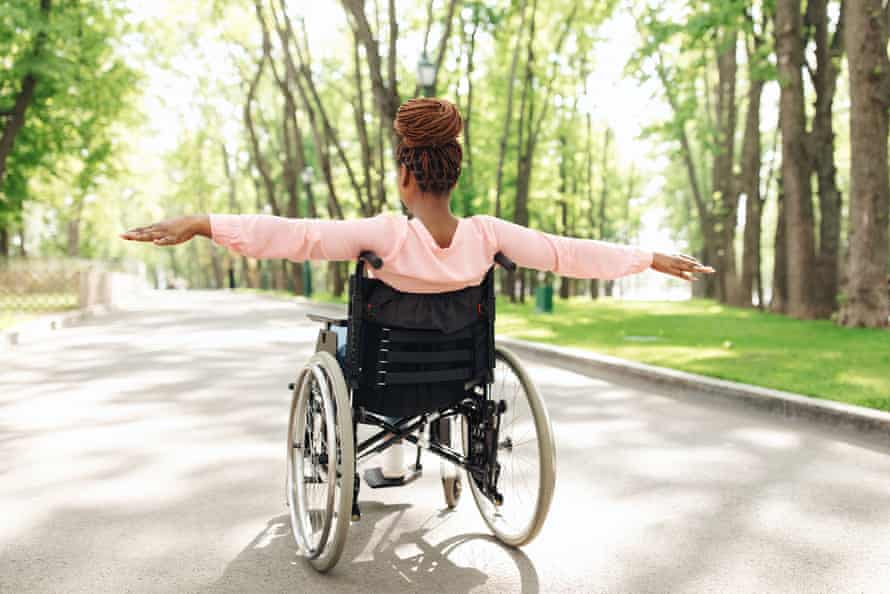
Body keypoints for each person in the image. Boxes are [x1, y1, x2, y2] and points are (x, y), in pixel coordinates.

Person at [121, 97, 714, 478]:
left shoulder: (383, 234)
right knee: (434, 338)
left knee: (334, 342)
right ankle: (425, 453)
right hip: (459, 376)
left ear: (406, 175)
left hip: (382, 377)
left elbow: (294, 235)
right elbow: (567, 253)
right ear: (453, 174)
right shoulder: (487, 237)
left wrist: (201, 224)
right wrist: (648, 258)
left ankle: (394, 456)